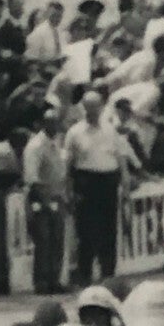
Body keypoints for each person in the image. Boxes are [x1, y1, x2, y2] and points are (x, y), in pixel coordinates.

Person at [64, 89, 134, 286]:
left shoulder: (110, 130)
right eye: (89, 108)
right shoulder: (75, 132)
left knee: (108, 229)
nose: (92, 111)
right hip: (86, 181)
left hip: (108, 181)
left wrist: (125, 182)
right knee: (86, 230)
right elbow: (68, 165)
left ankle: (108, 272)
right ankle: (84, 274)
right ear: (84, 108)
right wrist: (68, 190)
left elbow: (121, 158)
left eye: (96, 107)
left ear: (101, 107)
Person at [21, 106, 68, 294]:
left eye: (56, 122)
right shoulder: (35, 146)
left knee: (57, 239)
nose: (54, 126)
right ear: (43, 124)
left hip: (57, 195)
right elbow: (32, 179)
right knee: (44, 240)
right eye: (50, 122)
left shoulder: (55, 143)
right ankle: (41, 281)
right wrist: (46, 201)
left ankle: (54, 279)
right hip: (40, 199)